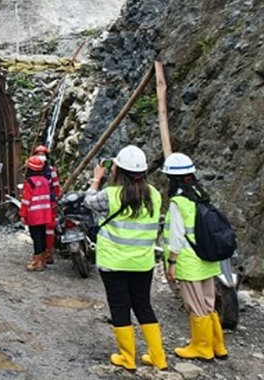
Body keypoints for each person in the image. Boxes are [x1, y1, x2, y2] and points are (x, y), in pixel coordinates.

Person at [84, 145, 167, 372]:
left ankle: (127, 358)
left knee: (120, 307)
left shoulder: (110, 195)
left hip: (114, 262)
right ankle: (158, 357)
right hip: (142, 262)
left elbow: (88, 201)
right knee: (143, 305)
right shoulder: (155, 195)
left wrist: (96, 178)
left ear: (118, 170)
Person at [162, 153, 227, 361]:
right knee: (209, 303)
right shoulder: (201, 194)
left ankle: (202, 348)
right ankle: (218, 346)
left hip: (189, 261)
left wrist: (171, 263)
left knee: (195, 305)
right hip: (208, 259)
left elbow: (176, 237)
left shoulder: (177, 202)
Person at [20, 156, 54, 271]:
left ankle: (37, 262)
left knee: (36, 237)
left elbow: (26, 200)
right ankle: (43, 260)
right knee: (43, 235)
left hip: (34, 214)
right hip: (45, 213)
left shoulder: (29, 182)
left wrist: (23, 215)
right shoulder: (45, 181)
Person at [34, 145, 61, 264]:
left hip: (49, 204)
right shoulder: (34, 169)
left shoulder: (51, 171)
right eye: (38, 154)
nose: (41, 156)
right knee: (39, 229)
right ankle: (41, 253)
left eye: (43, 154)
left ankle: (48, 252)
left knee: (49, 228)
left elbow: (56, 187)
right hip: (39, 205)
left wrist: (56, 199)